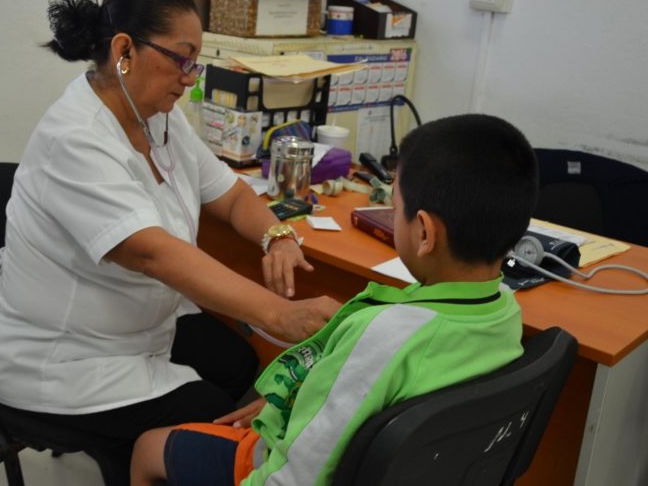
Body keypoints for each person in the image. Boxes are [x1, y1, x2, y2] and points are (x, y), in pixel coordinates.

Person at [0, 0, 340, 473]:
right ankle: (147, 461)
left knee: (239, 365)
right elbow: (152, 253)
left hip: (135, 328)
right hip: (59, 359)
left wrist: (277, 235)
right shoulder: (76, 139)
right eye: (182, 58)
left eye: (196, 62)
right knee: (211, 419)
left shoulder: (157, 118)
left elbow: (232, 195)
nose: (191, 77)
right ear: (125, 50)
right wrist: (280, 315)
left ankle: (149, 456)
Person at [129, 113, 540, 486]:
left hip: (277, 470)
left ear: (425, 234)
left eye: (394, 208)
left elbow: (297, 476)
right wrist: (299, 405)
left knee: (148, 448)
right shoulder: (505, 311)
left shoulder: (382, 337)